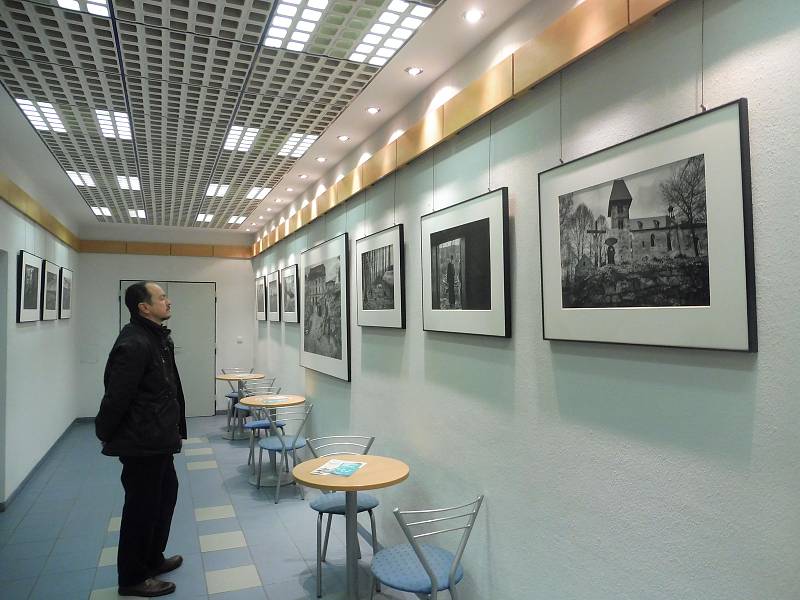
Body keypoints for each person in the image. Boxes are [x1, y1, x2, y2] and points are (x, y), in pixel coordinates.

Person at [95, 282, 187, 597]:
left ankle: (152, 558)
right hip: (142, 442)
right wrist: (105, 432)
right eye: (162, 297)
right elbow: (117, 395)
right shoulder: (134, 343)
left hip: (158, 439)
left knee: (165, 496)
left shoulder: (156, 338)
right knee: (141, 509)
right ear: (143, 307)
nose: (168, 301)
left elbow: (164, 391)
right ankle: (132, 578)